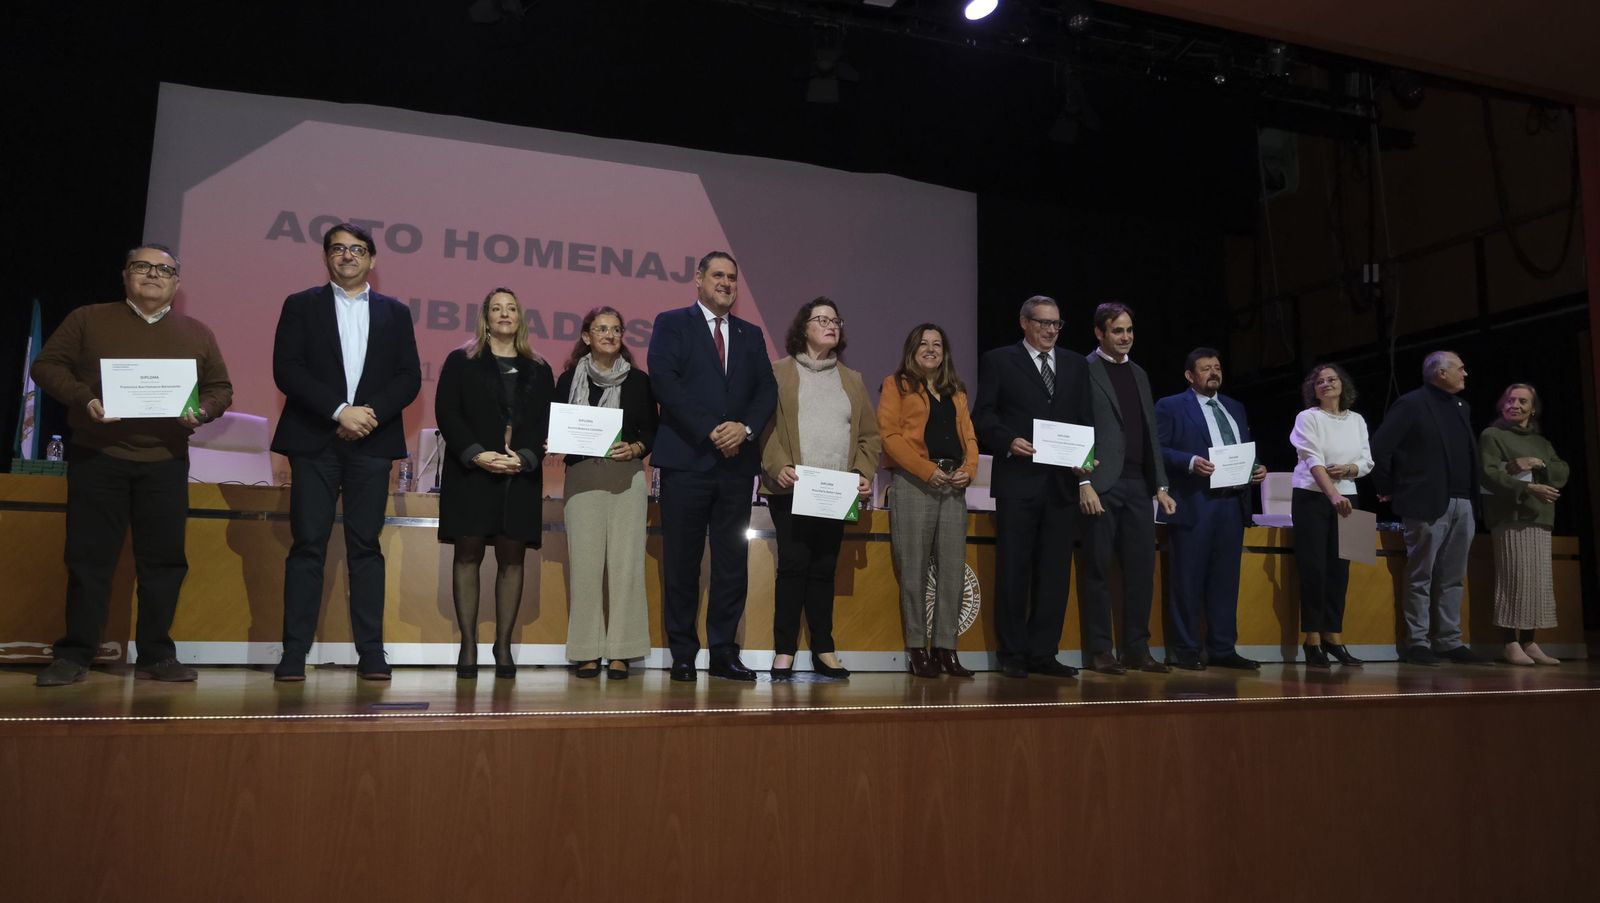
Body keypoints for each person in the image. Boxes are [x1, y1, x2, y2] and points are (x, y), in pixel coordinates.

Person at [30, 244, 233, 687]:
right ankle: (75, 654)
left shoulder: (197, 332)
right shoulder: (88, 318)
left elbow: (220, 388)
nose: (153, 275)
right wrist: (86, 399)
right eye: (143, 266)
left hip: (164, 462)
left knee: (164, 563)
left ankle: (157, 654)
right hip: (98, 457)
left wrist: (203, 412)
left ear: (177, 284)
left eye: (165, 270)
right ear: (125, 275)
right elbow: (46, 366)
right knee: (88, 561)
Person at [271, 223, 421, 681]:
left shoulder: (395, 312)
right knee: (307, 546)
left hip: (371, 443)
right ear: (326, 258)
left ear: (372, 259)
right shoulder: (300, 306)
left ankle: (371, 652)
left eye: (357, 249)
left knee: (365, 548)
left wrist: (366, 414)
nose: (348, 256)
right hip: (314, 440)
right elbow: (287, 370)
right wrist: (340, 411)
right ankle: (293, 653)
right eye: (338, 249)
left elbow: (408, 376)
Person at [647, 251, 778, 682]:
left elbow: (766, 391)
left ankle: (724, 651)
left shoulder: (751, 334)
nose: (726, 283)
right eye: (717, 275)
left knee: (730, 563)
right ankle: (683, 652)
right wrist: (712, 430)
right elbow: (665, 380)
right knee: (682, 562)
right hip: (687, 461)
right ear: (698, 280)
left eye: (732, 278)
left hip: (737, 466)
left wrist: (744, 428)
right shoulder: (671, 322)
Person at [759, 298, 881, 680]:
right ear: (804, 327)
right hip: (792, 488)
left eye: (835, 320)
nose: (831, 325)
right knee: (794, 567)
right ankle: (784, 652)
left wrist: (863, 472)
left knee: (824, 570)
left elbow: (869, 437)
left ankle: (824, 649)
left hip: (836, 491)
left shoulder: (853, 380)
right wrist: (778, 466)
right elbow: (764, 428)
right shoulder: (779, 372)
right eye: (822, 319)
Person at [435, 288, 554, 679]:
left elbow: (545, 423)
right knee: (467, 555)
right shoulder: (461, 361)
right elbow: (448, 413)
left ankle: (503, 646)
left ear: (521, 317)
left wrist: (527, 457)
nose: (505, 314)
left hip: (519, 476)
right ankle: (468, 644)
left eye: (512, 308)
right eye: (496, 309)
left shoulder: (539, 367)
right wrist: (476, 454)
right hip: (471, 473)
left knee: (512, 560)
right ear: (485, 318)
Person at [973, 295, 1092, 679]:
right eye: (1043, 323)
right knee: (1014, 570)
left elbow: (1085, 420)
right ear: (1024, 323)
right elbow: (984, 415)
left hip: (1061, 486)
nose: (1050, 330)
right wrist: (1007, 441)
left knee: (1055, 572)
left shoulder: (1075, 364)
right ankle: (1012, 653)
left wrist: (1087, 461)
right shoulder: (999, 360)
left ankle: (1044, 652)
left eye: (1056, 324)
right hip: (1018, 482)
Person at [555, 306, 657, 680]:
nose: (610, 335)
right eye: (602, 329)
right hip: (582, 480)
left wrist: (637, 448)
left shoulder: (639, 381)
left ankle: (622, 652)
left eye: (616, 329)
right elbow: (557, 425)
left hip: (626, 479)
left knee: (626, 566)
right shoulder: (567, 379)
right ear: (586, 337)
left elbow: (651, 430)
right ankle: (585, 650)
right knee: (584, 567)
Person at [1370, 351, 1490, 666]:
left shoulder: (1462, 407)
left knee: (1453, 576)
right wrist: (1387, 488)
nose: (1466, 373)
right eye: (1460, 368)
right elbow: (1380, 447)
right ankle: (1418, 642)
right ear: (1440, 372)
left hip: (1463, 502)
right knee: (1421, 574)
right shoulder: (1411, 404)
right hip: (1425, 502)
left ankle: (1450, 641)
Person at [1153, 348, 1267, 671]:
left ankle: (1222, 647)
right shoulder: (1171, 406)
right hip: (1193, 501)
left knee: (1225, 580)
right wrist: (1189, 462)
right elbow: (1157, 449)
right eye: (1206, 369)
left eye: (1217, 368)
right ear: (1190, 376)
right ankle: (1185, 649)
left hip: (1231, 503)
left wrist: (1256, 468)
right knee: (1187, 578)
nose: (1213, 373)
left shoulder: (1235, 407)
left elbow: (1241, 451)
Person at [877, 323, 980, 679]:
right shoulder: (897, 385)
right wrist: (924, 470)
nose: (931, 349)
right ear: (912, 349)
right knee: (914, 570)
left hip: (954, 486)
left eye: (938, 344)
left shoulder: (957, 391)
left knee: (952, 572)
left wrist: (970, 468)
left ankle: (947, 650)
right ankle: (918, 650)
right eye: (924, 344)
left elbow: (970, 437)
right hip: (915, 483)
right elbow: (889, 436)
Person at [1078, 302, 1174, 675]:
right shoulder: (1084, 370)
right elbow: (1078, 425)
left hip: (1138, 485)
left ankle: (1137, 647)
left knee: (1140, 569)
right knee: (1098, 568)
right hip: (1101, 484)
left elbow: (1149, 430)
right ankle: (1101, 649)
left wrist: (1160, 485)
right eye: (1117, 331)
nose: (1125, 337)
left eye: (1130, 330)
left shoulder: (1139, 373)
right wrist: (1083, 480)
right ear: (1100, 333)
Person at [1288, 363, 1374, 668]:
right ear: (1313, 389)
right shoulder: (1307, 417)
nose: (1326, 384)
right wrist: (1333, 494)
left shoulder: (1358, 420)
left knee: (1341, 570)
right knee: (1314, 569)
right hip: (1313, 496)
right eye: (1320, 381)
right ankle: (1312, 639)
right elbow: (1313, 460)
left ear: (1343, 384)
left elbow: (1367, 462)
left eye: (1332, 379)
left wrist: (1350, 470)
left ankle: (1333, 636)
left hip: (1350, 495)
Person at [1479, 383, 1568, 665]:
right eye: (1510, 399)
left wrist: (1538, 464)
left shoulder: (1542, 443)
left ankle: (1529, 641)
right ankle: (1509, 642)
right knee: (1514, 578)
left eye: (1522, 401)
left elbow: (1562, 472)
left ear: (1533, 408)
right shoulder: (1492, 435)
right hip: (1510, 516)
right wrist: (1528, 488)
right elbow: (1488, 474)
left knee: (1536, 582)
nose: (1514, 405)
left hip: (1540, 517)